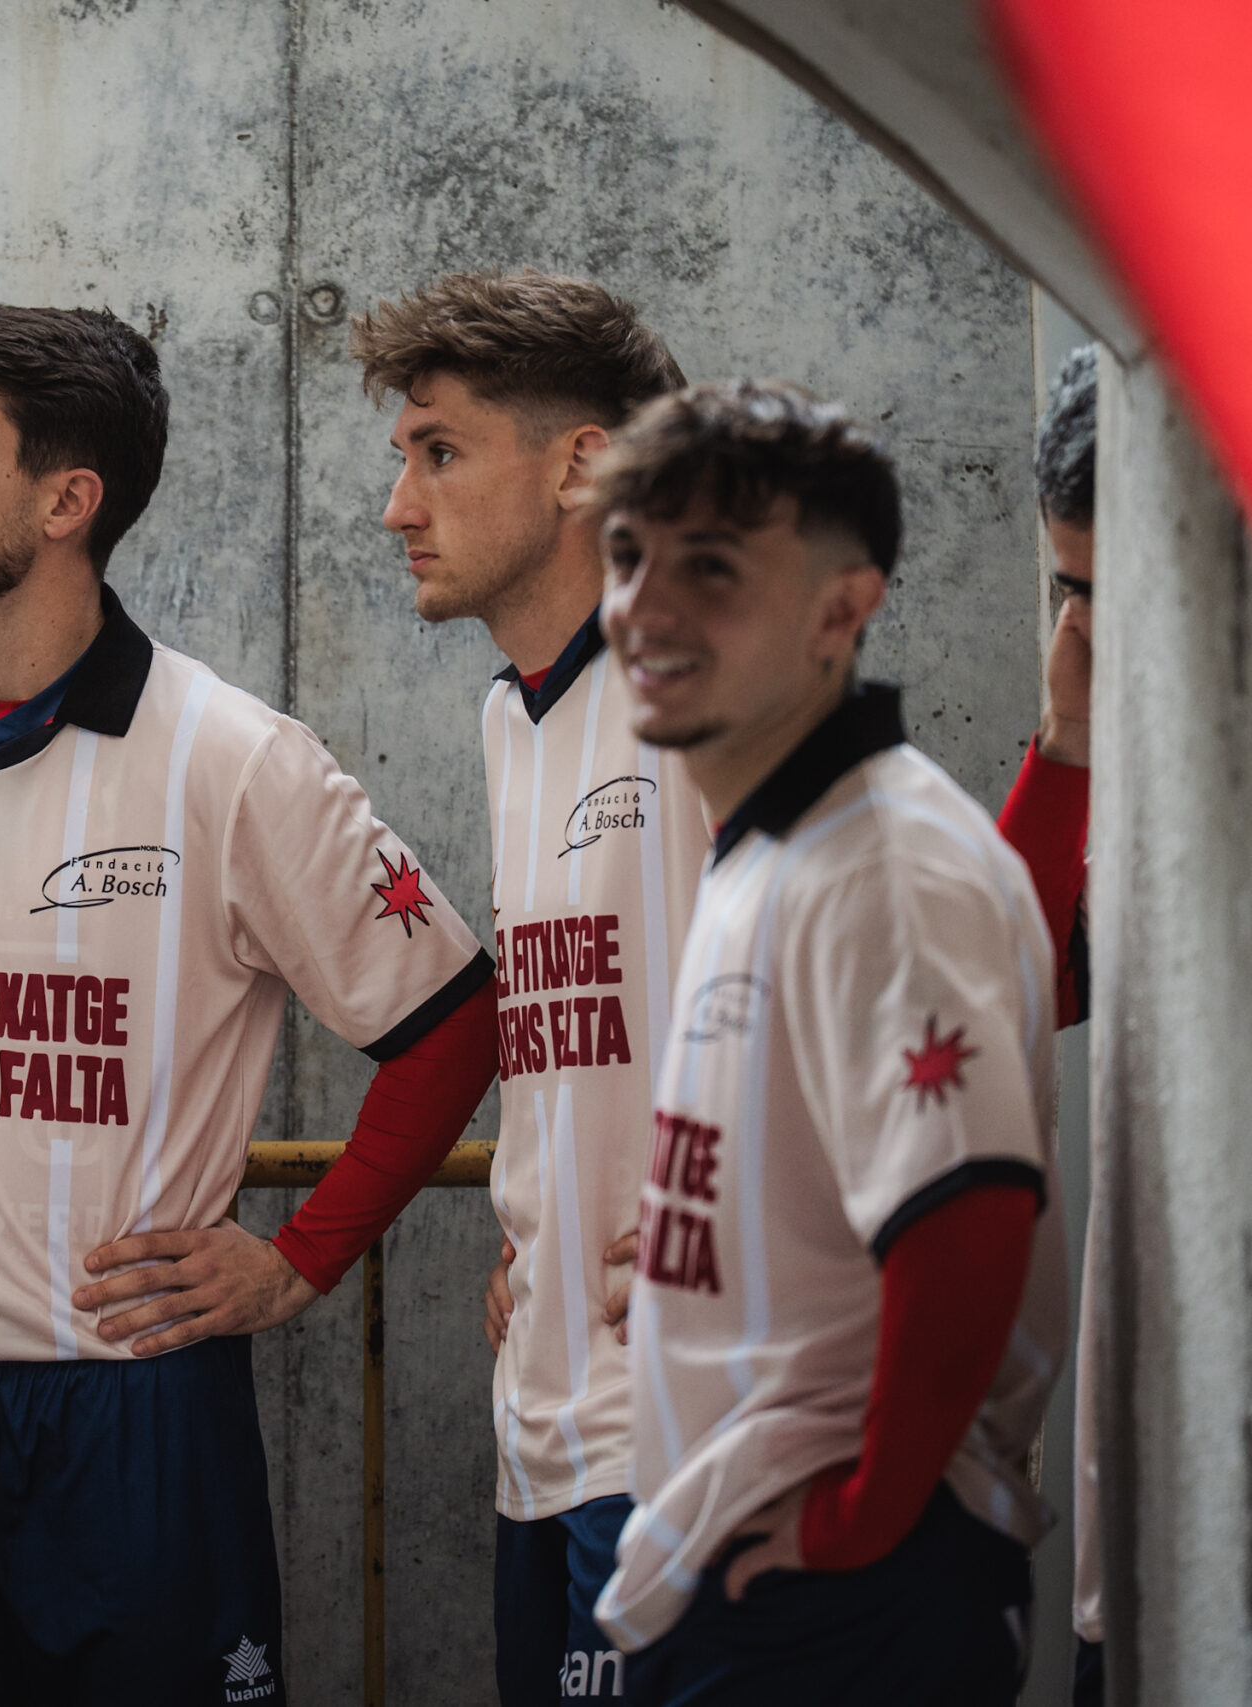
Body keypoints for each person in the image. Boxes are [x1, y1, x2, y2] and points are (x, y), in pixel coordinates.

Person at [0, 303, 500, 1703]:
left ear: (68, 501)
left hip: (137, 1412)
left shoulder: (236, 759)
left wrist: (298, 1261)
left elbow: (454, 1022)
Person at [587, 380, 1067, 1704]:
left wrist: (862, 1519)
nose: (644, 607)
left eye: (711, 568)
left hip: (842, 1588)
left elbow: (968, 1216)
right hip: (755, 1562)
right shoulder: (772, 844)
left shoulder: (885, 869)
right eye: (627, 557)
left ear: (842, 609)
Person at [349, 270, 709, 1705]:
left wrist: (756, 1213)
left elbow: (905, 1011)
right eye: (403, 458)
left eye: (440, 453)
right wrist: (544, 1221)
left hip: (699, 1439)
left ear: (581, 467)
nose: (399, 507)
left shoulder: (712, 682)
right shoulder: (516, 714)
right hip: (549, 1425)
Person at [996, 344, 1100, 1703]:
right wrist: (1068, 743)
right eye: (1068, 590)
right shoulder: (1123, 774)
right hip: (1139, 1560)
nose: (1080, 630)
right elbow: (1010, 985)